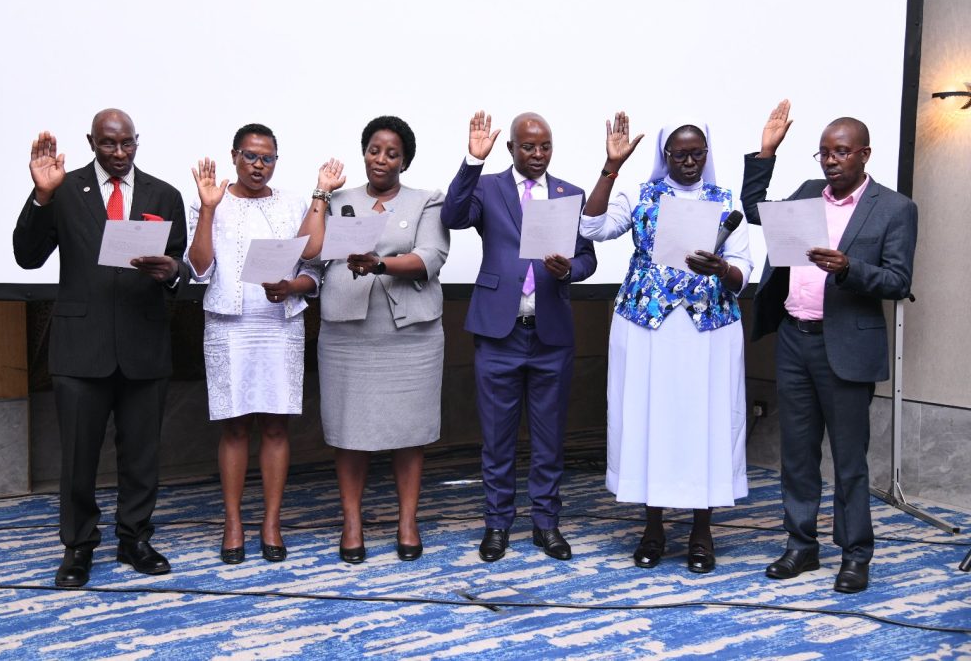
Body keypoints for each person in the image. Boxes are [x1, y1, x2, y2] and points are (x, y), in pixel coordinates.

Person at [742, 100, 918, 593]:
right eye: (824, 152)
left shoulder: (895, 208)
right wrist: (765, 153)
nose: (831, 160)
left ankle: (855, 554)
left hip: (845, 347)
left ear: (864, 154)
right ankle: (801, 545)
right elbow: (755, 212)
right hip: (794, 341)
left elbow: (899, 280)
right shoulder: (805, 193)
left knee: (848, 460)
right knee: (797, 454)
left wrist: (848, 268)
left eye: (841, 151)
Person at [13, 109, 188, 587]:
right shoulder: (64, 190)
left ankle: (135, 538)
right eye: (109, 144)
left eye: (127, 143)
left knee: (142, 456)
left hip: (144, 344)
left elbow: (179, 265)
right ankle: (78, 547)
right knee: (78, 457)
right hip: (80, 347)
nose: (119, 153)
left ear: (137, 141)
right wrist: (41, 196)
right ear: (91, 142)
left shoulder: (164, 194)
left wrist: (171, 271)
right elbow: (27, 257)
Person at [579, 114, 752, 573]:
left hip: (708, 329)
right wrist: (611, 167)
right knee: (649, 420)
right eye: (680, 155)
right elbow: (591, 228)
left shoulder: (726, 202)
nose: (690, 162)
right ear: (665, 156)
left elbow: (743, 270)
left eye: (698, 154)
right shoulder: (640, 196)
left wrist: (721, 269)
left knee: (705, 423)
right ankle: (653, 527)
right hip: (647, 327)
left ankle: (701, 531)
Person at [441, 110, 597, 562]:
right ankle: (497, 524)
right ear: (511, 148)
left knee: (549, 439)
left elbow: (588, 259)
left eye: (545, 146)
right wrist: (473, 161)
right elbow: (453, 215)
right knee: (497, 438)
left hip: (550, 335)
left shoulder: (570, 193)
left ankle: (546, 524)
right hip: (498, 333)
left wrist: (569, 269)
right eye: (528, 146)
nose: (538, 154)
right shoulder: (488, 188)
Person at [297, 115, 449, 563]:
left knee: (410, 431)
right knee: (350, 431)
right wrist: (321, 193)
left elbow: (430, 257)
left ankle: (407, 521)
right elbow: (308, 252)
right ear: (364, 153)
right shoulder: (338, 200)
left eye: (392, 153)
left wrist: (380, 264)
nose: (381, 159)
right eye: (374, 150)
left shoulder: (427, 200)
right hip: (348, 335)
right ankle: (352, 522)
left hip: (412, 336)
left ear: (405, 161)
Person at [185, 124, 322, 564]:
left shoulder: (293, 203)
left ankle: (271, 522)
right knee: (235, 427)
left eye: (267, 158)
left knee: (277, 427)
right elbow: (199, 268)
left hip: (280, 325)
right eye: (250, 156)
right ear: (234, 156)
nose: (258, 165)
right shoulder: (209, 201)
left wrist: (291, 286)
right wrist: (208, 209)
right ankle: (233, 523)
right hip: (229, 327)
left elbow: (312, 269)